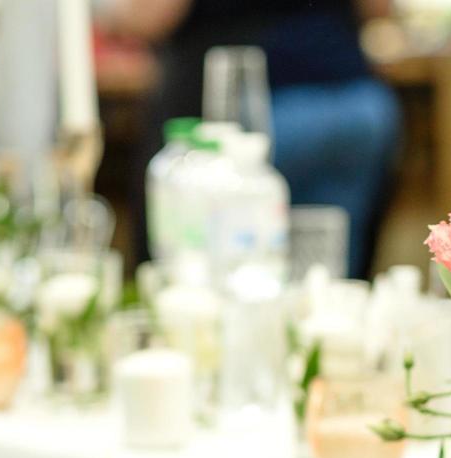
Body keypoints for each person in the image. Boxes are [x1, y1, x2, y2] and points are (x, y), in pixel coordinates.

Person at [105, 0, 401, 278]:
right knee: (326, 276)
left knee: (225, 270)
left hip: (246, 117)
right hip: (355, 103)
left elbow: (151, 17)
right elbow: (379, 8)